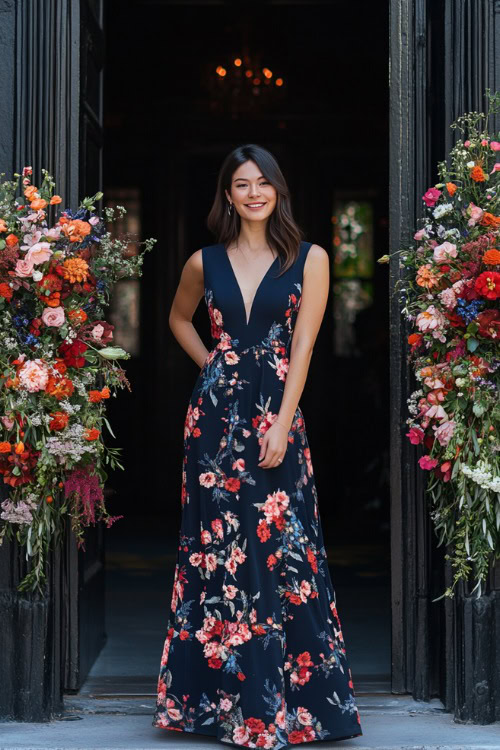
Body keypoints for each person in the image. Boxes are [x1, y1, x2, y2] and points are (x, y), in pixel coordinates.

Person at [153, 144, 363, 748]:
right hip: (213, 424)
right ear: (227, 195)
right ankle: (215, 707)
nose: (253, 193)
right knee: (215, 552)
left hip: (277, 417)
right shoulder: (204, 261)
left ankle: (286, 707)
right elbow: (177, 319)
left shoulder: (311, 258)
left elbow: (303, 350)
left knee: (282, 552)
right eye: (241, 184)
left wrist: (281, 421)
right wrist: (215, 367)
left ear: (279, 191)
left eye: (263, 183)